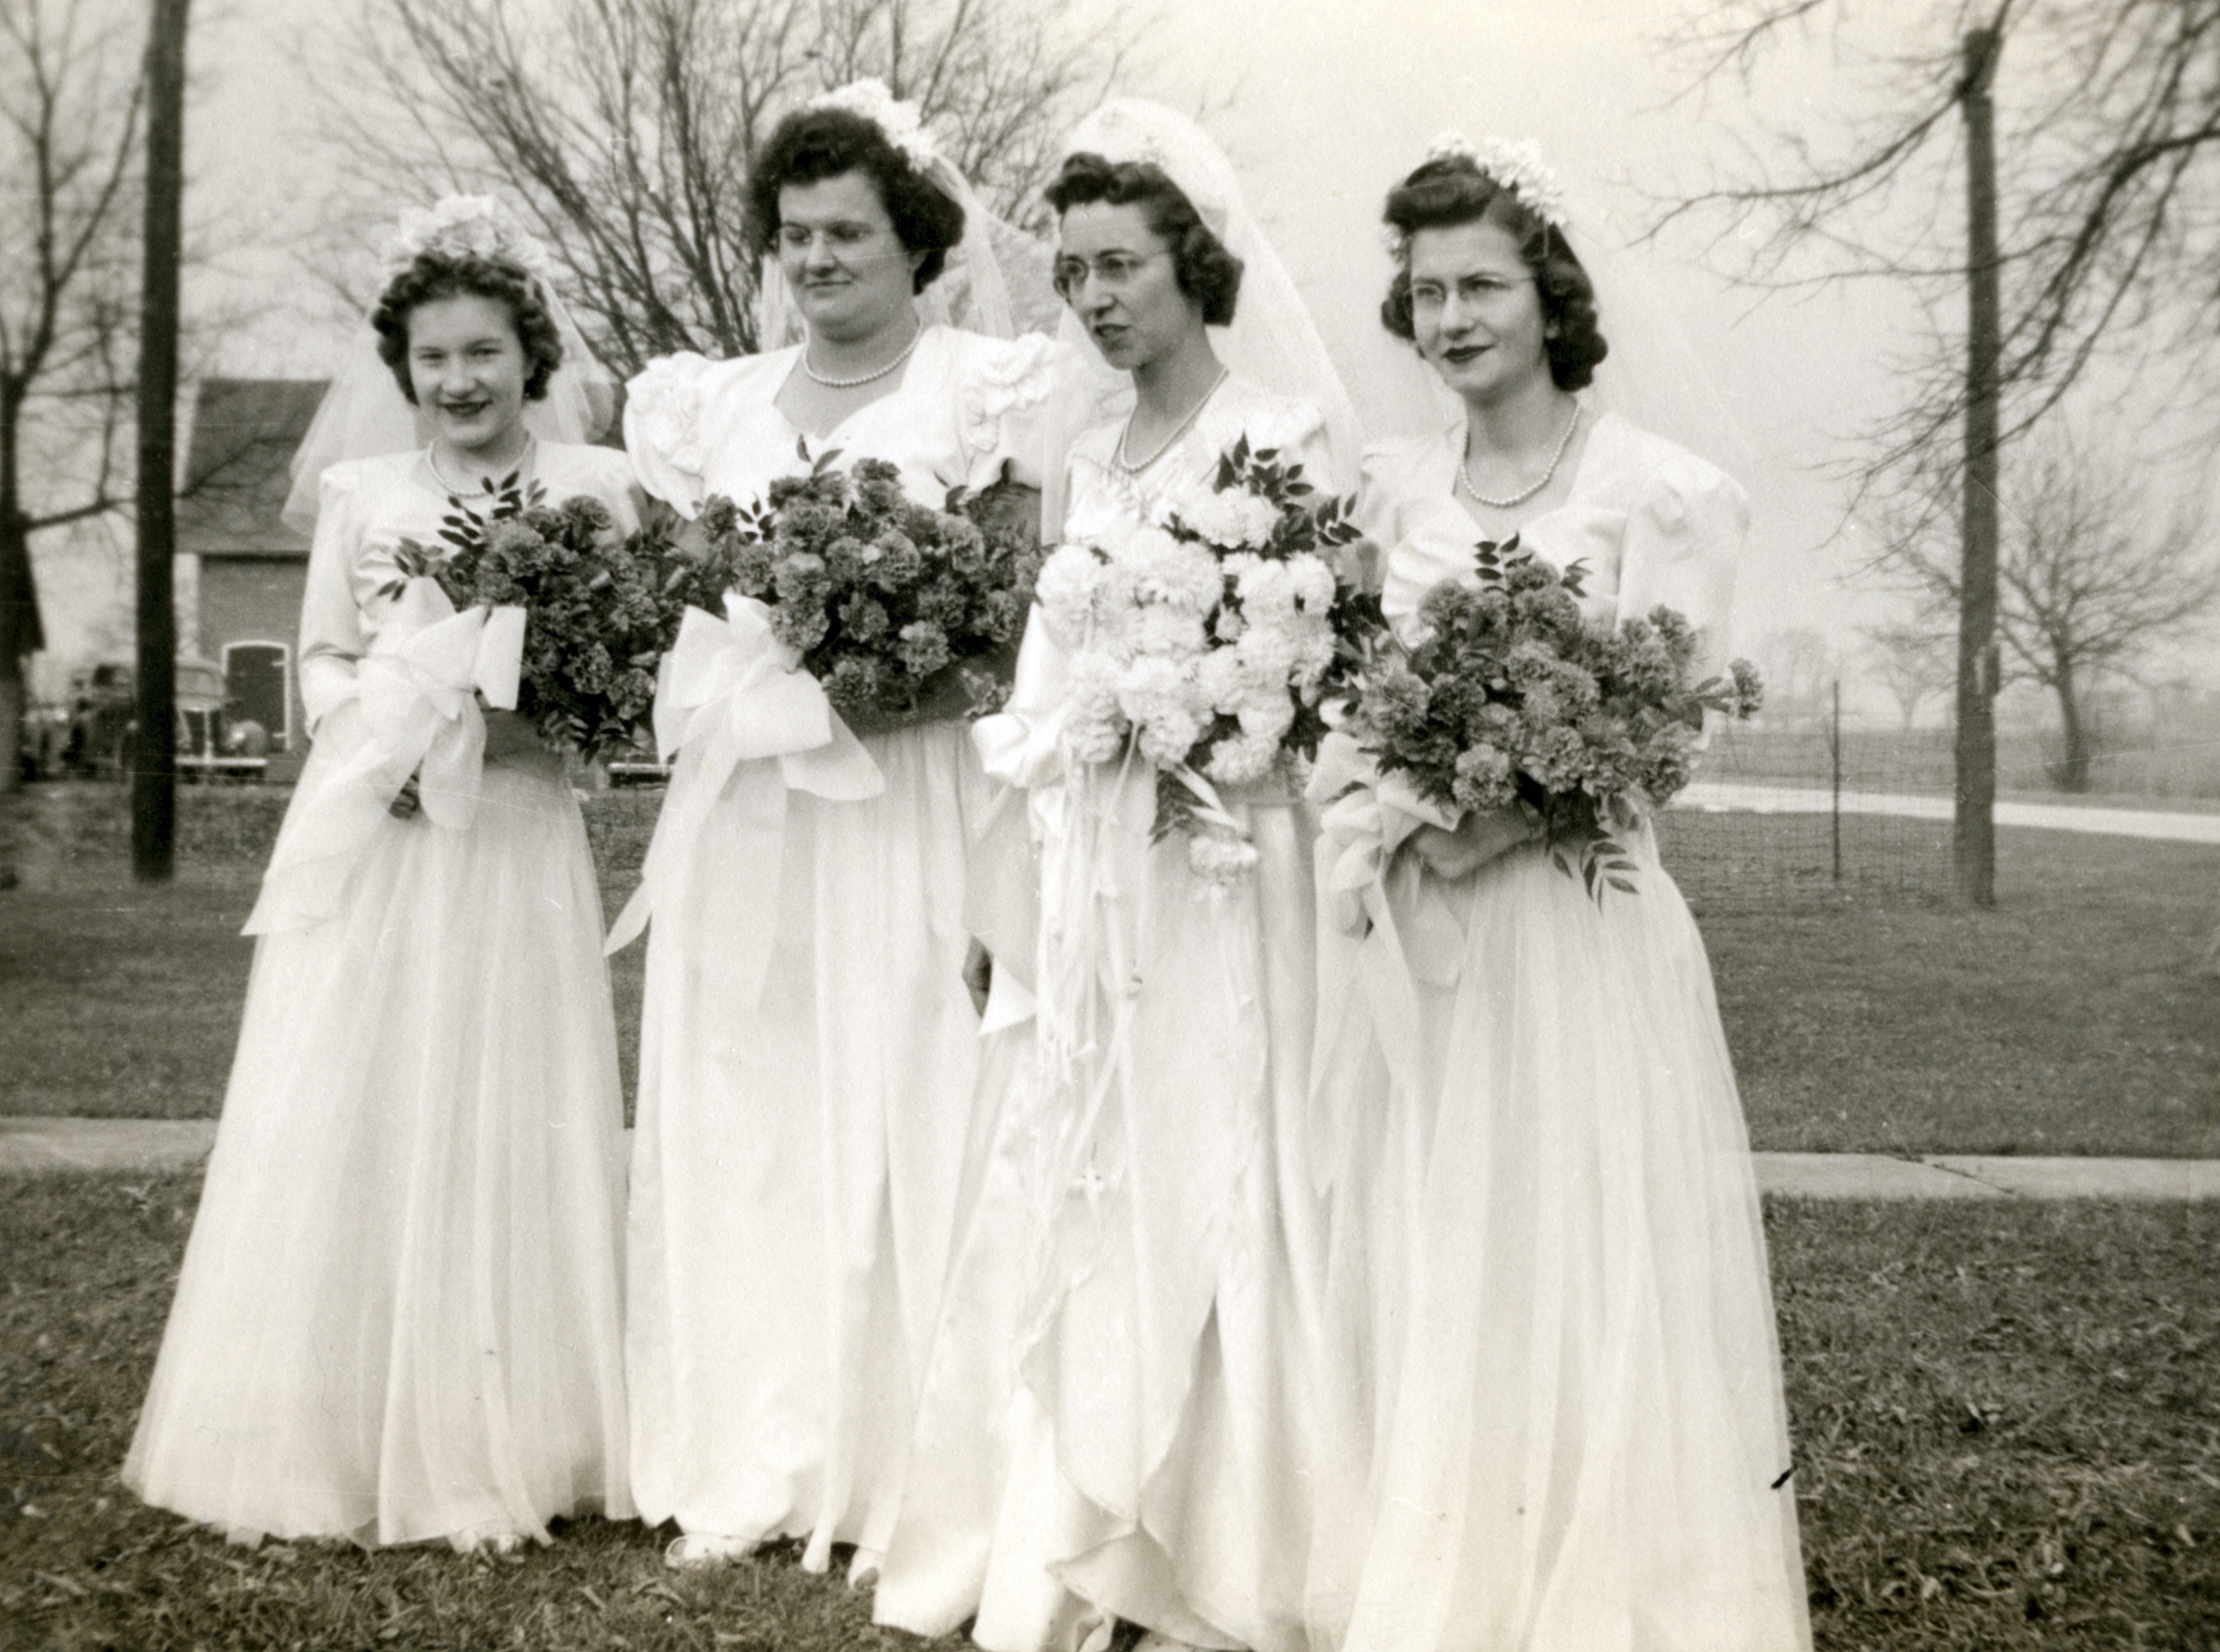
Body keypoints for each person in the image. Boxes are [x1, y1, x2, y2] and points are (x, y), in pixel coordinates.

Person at [1304, 137, 1811, 1651]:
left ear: (1553, 295)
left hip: (1575, 929)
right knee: (1446, 1236)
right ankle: (1459, 1582)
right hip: (1427, 925)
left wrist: (1500, 814)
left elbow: (1661, 733)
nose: (1450, 317)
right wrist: (1387, 803)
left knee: (1586, 1246)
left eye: (1482, 285)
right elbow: (1348, 699)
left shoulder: (1656, 494)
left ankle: (1607, 1596)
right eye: (1426, 289)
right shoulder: (1391, 497)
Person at [872, 99, 1360, 1652]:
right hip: (1092, 862)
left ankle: (1214, 1535)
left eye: (1120, 264)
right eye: (1071, 269)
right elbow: (1037, 685)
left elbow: (1324, 678)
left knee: (1222, 1154)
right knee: (1080, 1157)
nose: (1090, 297)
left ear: (1192, 264)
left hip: (1223, 863)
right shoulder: (1088, 459)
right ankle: (1076, 1522)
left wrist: (1215, 720)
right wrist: (999, 884)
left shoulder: (1280, 446)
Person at [123, 197, 634, 1551]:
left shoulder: (597, 494)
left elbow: (625, 687)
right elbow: (322, 661)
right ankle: (337, 1423)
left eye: (483, 351)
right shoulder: (362, 496)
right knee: (360, 1093)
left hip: (517, 832)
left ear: (531, 353)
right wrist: (392, 728)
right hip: (385, 831)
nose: (459, 380)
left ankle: (518, 1426)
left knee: (509, 1102)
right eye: (432, 357)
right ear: (400, 369)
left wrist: (530, 719)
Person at [612, 80, 1055, 1578]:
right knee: (745, 1116)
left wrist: (854, 687)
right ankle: (751, 1452)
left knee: (899, 1101)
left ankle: (898, 1460)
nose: (815, 261)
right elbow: (677, 612)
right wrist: (751, 686)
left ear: (916, 241)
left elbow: (1006, 638)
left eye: (848, 234)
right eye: (795, 235)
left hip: (907, 809)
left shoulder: (980, 393)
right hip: (746, 814)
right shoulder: (708, 407)